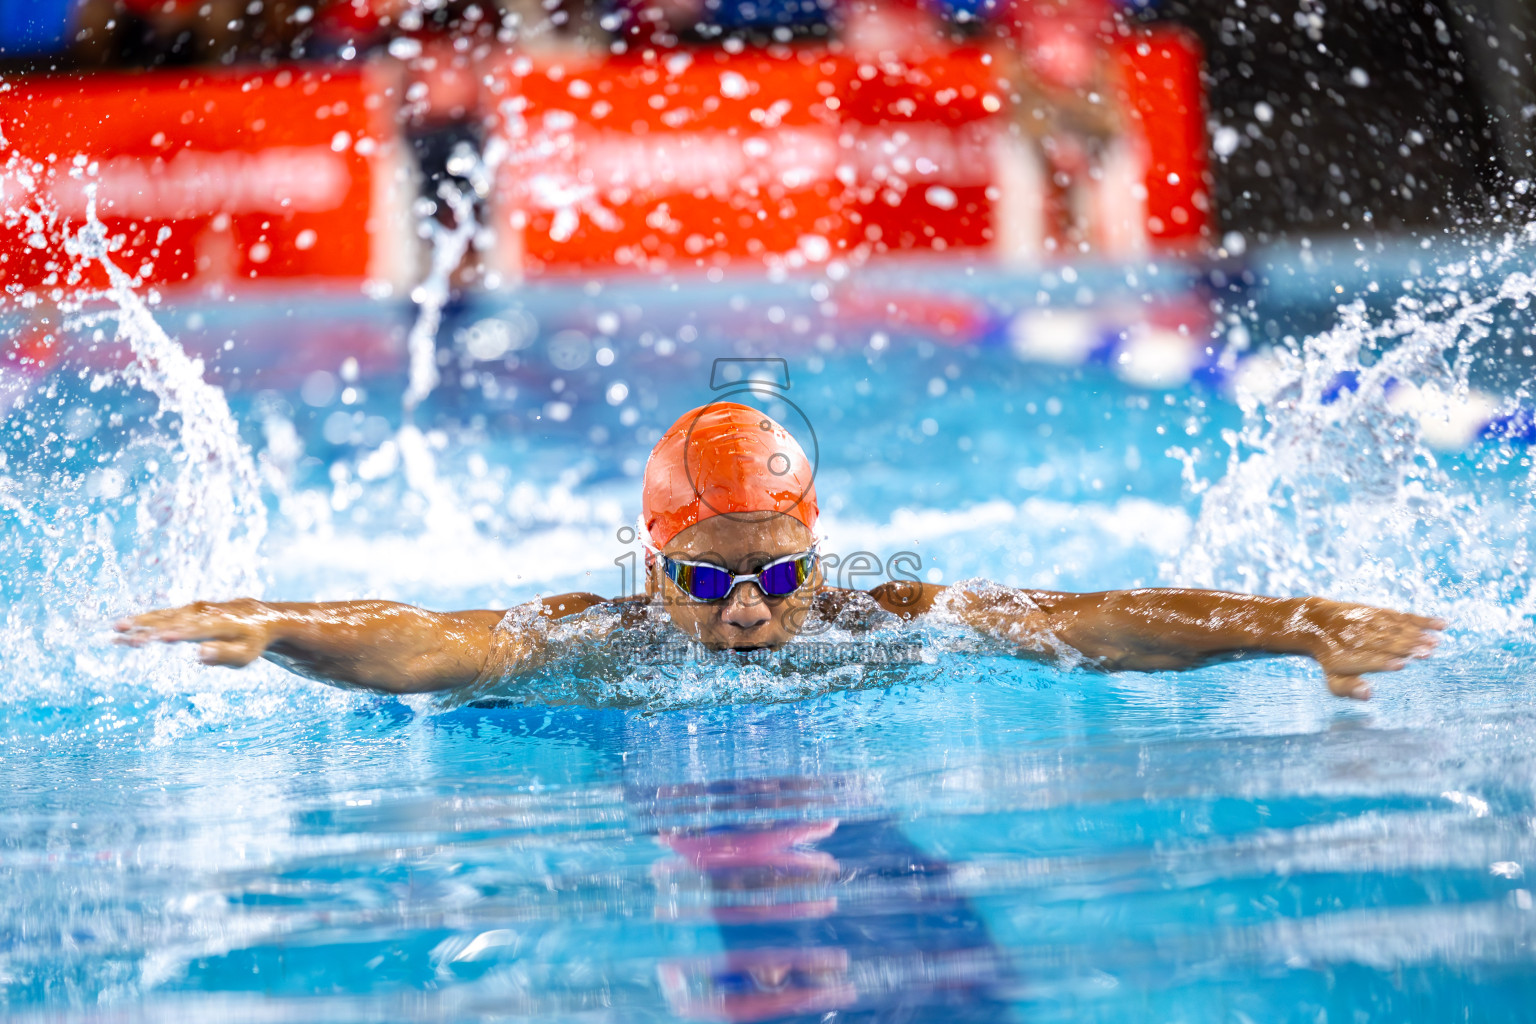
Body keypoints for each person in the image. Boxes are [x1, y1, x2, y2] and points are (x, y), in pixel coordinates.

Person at [116, 402, 1445, 700]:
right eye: (707, 580)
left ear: (819, 558)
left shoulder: (886, 612)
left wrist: (1297, 620)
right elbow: (432, 640)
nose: (747, 612)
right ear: (654, 569)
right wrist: (276, 622)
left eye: (775, 577)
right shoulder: (606, 631)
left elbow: (1097, 617)